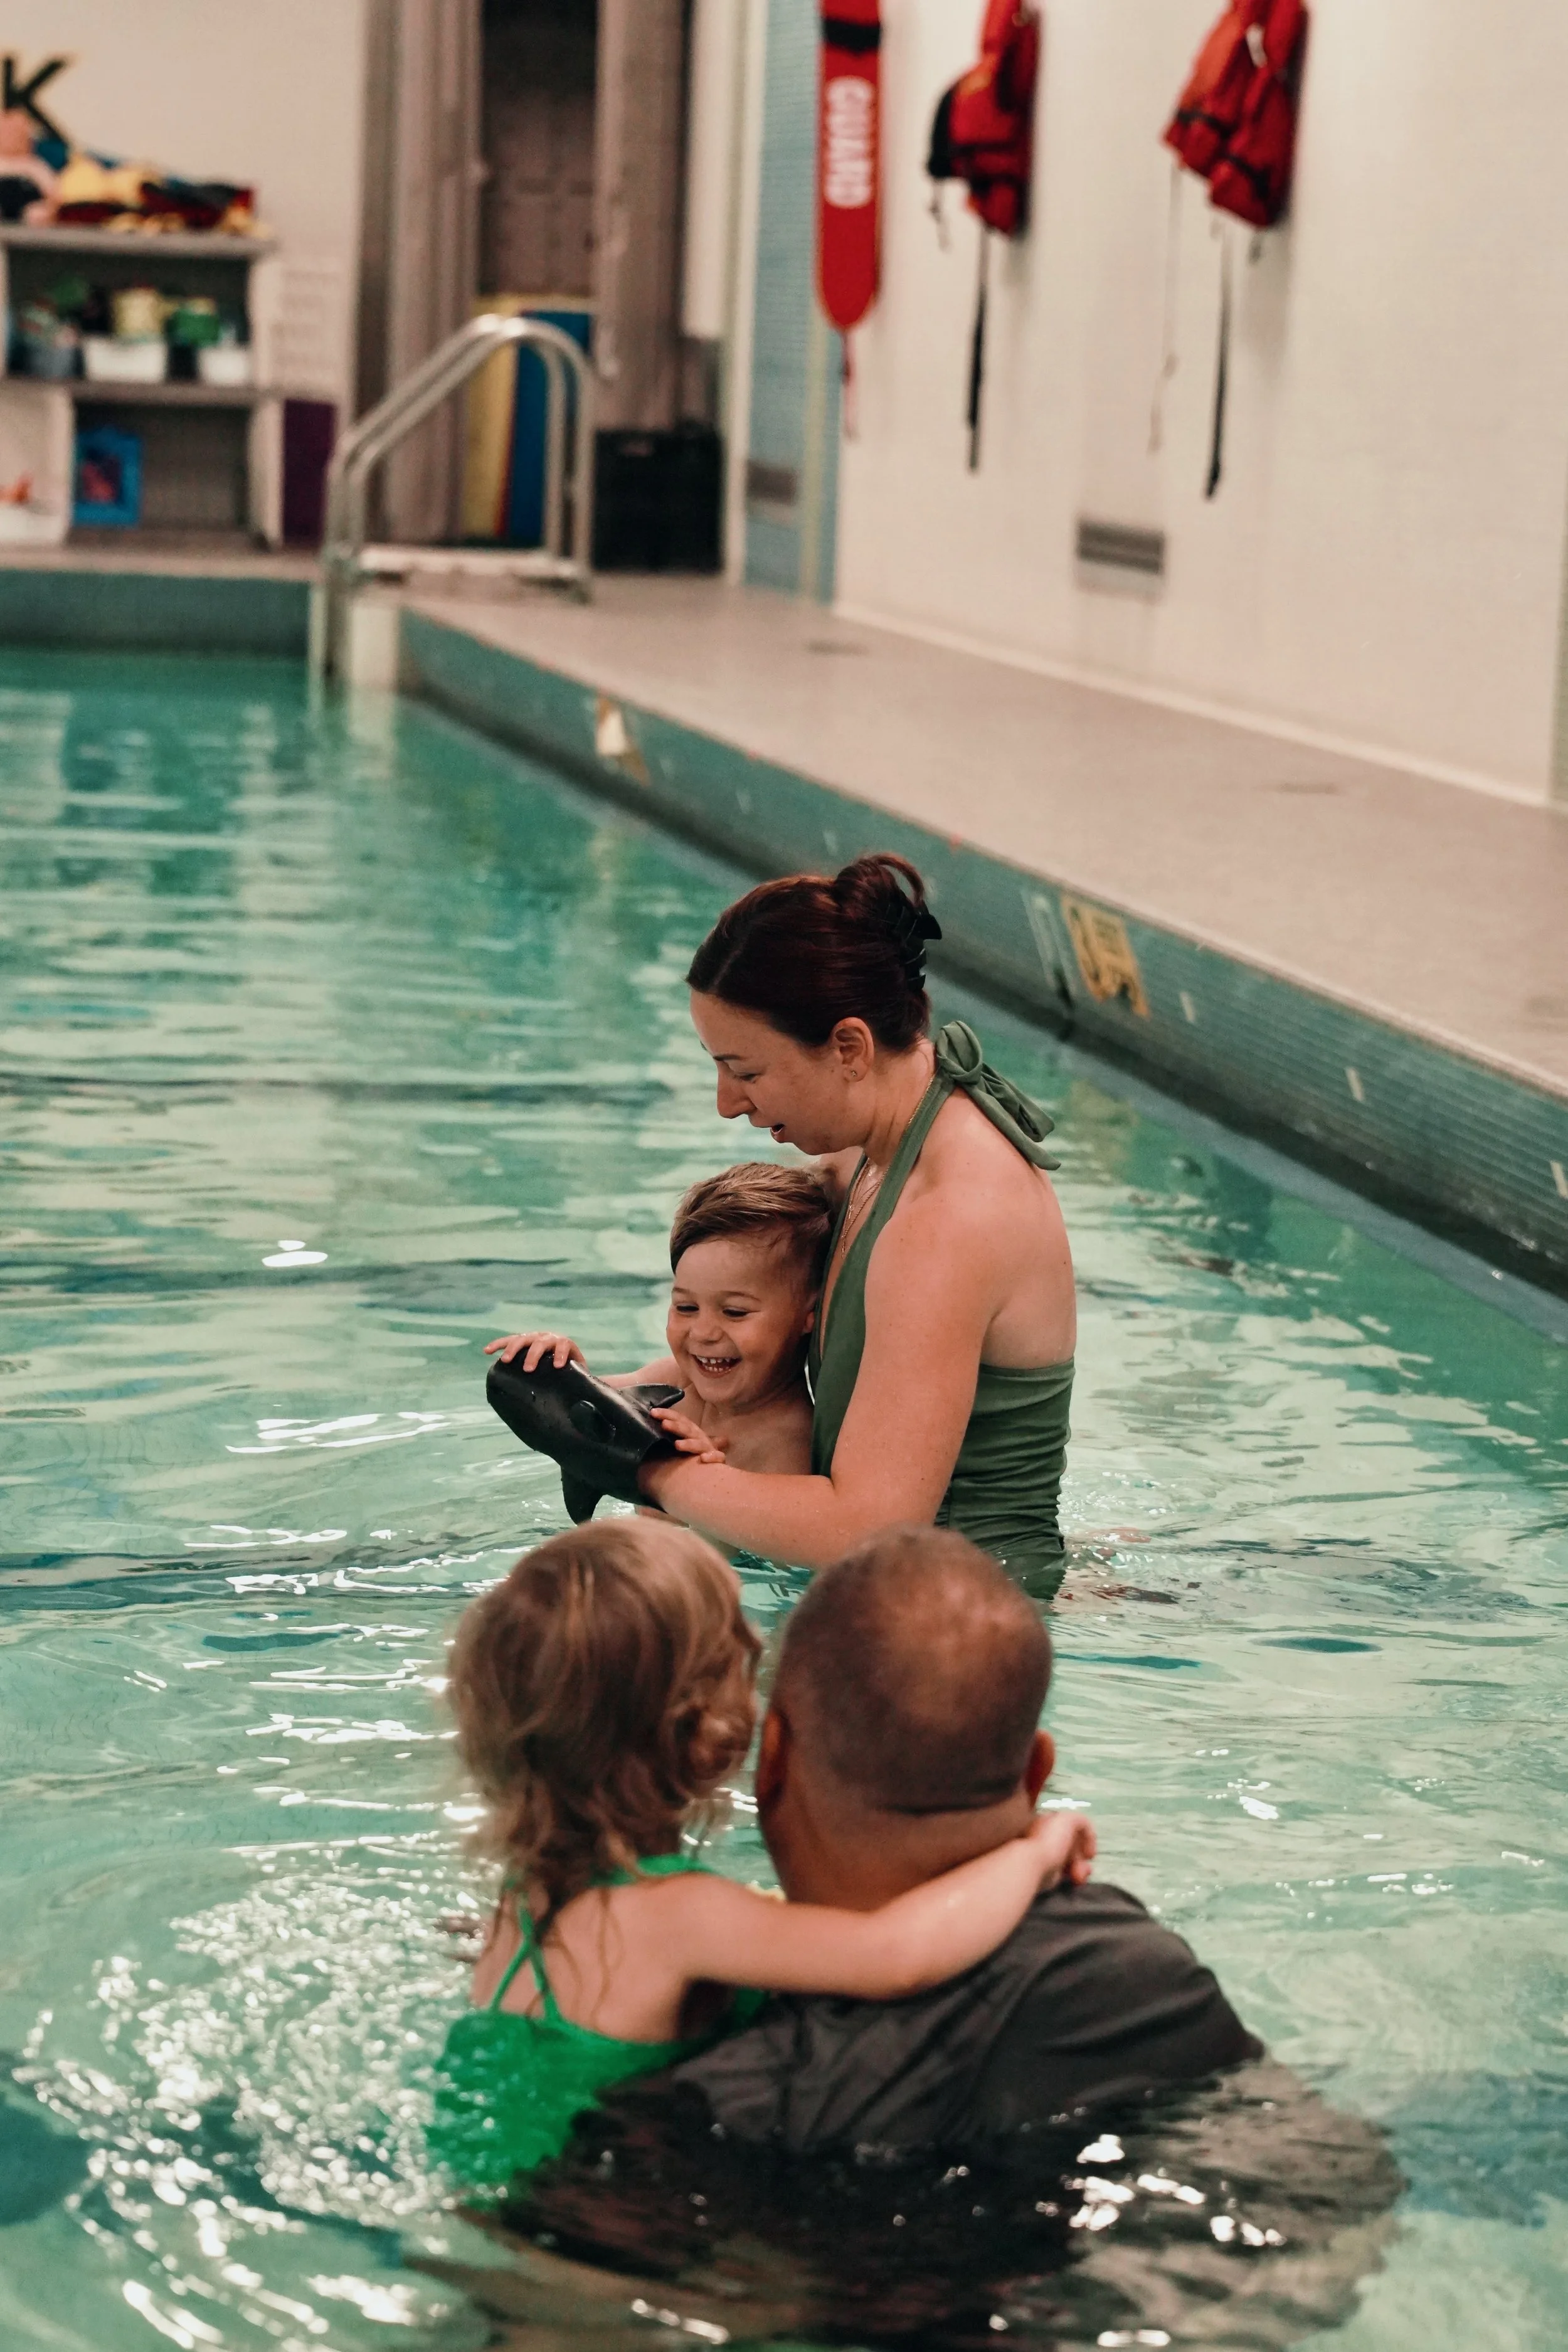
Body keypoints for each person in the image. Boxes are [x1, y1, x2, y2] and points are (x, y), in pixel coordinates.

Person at [430, 1517, 1096, 2189]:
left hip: (495, 2197)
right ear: (707, 1732)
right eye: (741, 1659)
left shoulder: (523, 1894)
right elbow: (897, 1956)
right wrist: (1035, 1852)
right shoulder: (679, 1913)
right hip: (591, 2233)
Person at [638, 854, 1077, 1586]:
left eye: (746, 1072)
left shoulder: (947, 1215)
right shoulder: (870, 1153)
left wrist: (651, 1471)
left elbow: (865, 1526)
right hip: (894, 1599)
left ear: (849, 1047)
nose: (727, 1102)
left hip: (965, 1621)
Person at [485, 1162, 830, 1478]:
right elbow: (581, 1414)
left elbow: (759, 1544)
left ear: (810, 1316)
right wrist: (563, 1372)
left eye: (735, 1312)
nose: (704, 1333)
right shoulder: (675, 1383)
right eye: (685, 1307)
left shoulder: (788, 1440)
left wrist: (710, 1482)